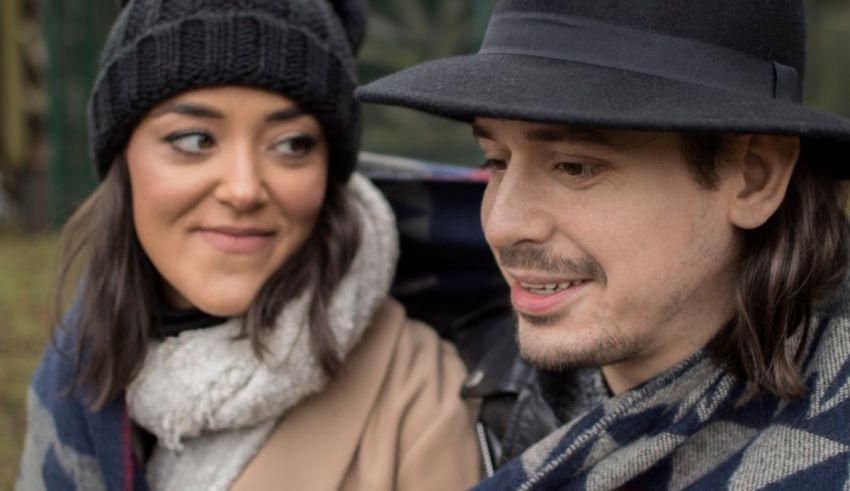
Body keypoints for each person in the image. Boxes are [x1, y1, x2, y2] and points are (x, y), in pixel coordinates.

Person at [357, 0, 850, 488]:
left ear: (752, 177)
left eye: (574, 167)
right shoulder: (452, 378)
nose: (503, 225)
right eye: (497, 161)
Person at [16, 1, 481, 490]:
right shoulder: (73, 373)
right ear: (122, 160)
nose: (243, 189)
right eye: (195, 140)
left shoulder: (418, 401)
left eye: (291, 144)